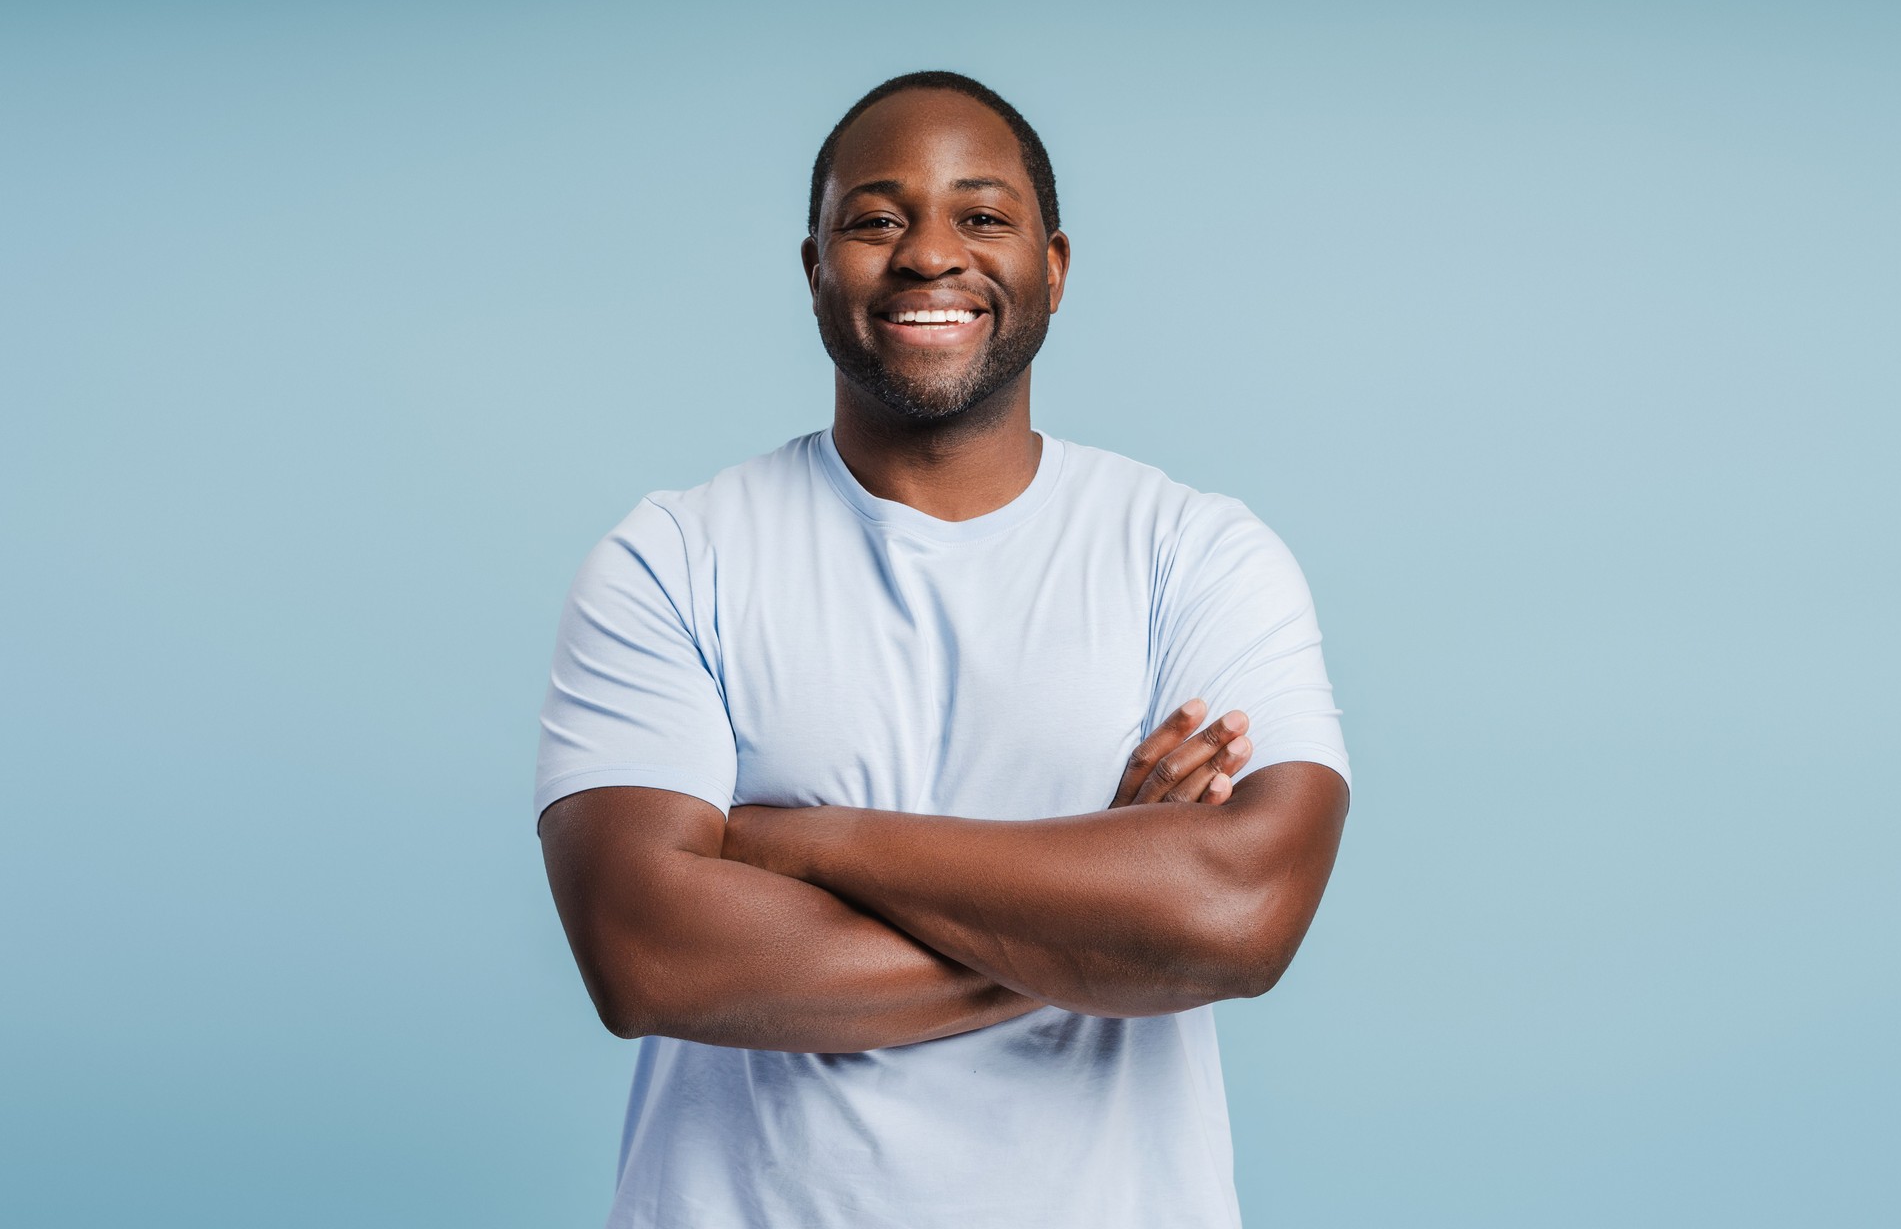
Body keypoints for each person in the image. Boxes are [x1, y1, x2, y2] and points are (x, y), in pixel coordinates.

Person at [534, 70, 1351, 1229]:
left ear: (1053, 266)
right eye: (876, 218)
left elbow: (1238, 915)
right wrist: (1106, 915)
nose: (929, 253)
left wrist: (801, 843)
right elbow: (647, 953)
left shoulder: (1196, 552)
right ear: (815, 269)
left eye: (981, 215)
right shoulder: (673, 557)